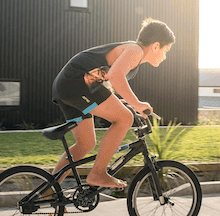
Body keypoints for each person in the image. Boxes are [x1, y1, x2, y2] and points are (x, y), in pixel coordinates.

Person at [51, 18, 175, 188]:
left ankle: (50, 188)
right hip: (77, 83)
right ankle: (98, 173)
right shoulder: (135, 50)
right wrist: (137, 104)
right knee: (125, 118)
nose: (165, 57)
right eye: (166, 50)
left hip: (68, 86)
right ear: (155, 46)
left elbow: (108, 81)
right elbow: (116, 76)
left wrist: (125, 101)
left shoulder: (132, 55)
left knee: (85, 144)